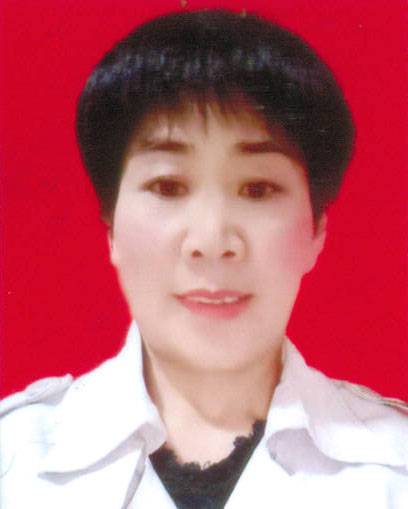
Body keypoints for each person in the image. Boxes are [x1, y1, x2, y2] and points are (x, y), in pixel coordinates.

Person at [1, 8, 407, 509]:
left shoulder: (397, 470)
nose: (212, 240)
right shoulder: (12, 464)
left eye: (258, 189)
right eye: (168, 186)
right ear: (111, 228)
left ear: (316, 229)